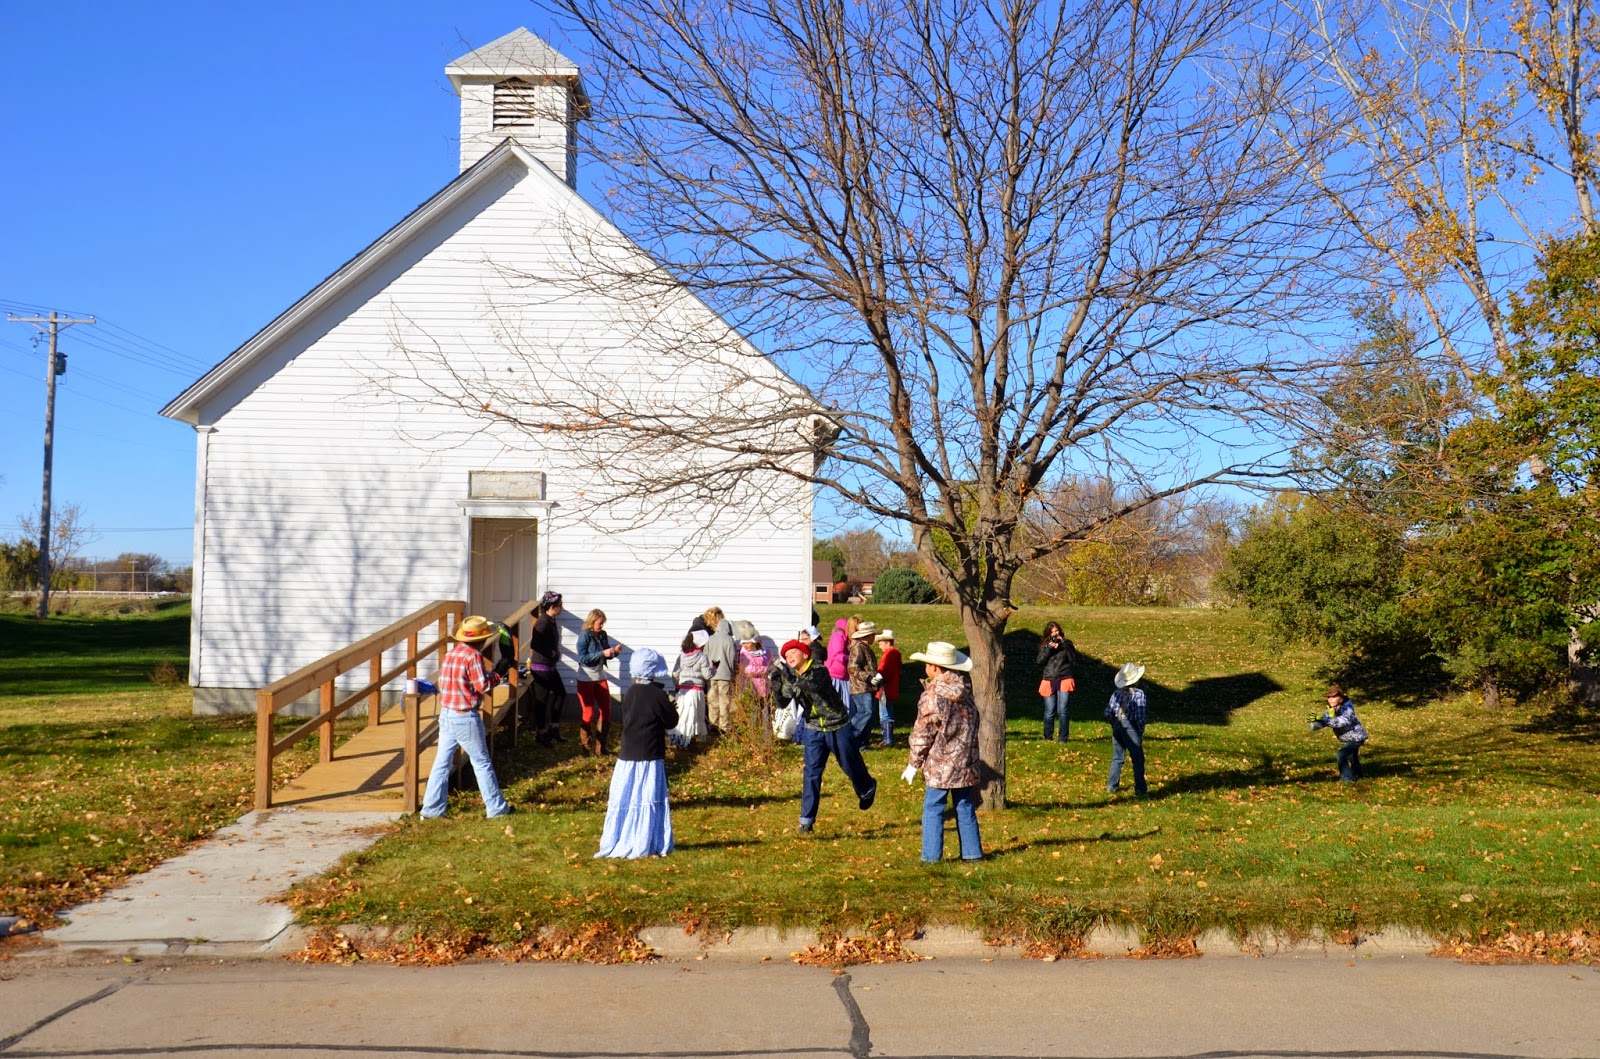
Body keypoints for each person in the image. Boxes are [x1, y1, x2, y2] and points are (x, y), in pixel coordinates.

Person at [772, 638, 877, 833]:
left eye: (792, 652)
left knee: (850, 765)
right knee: (811, 773)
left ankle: (867, 788)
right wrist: (776, 683)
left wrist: (791, 678)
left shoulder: (819, 670)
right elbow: (783, 701)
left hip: (838, 725)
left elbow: (811, 686)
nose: (788, 657)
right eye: (786, 655)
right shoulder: (792, 675)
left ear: (805, 654)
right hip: (813, 729)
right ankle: (806, 821)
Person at [420, 615, 513, 820]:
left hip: (447, 713)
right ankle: (496, 808)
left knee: (442, 763)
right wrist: (498, 672)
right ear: (482, 640)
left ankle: (431, 810)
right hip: (464, 716)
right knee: (481, 762)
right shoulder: (473, 656)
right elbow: (483, 685)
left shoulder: (451, 654)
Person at [901, 641, 983, 862]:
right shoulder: (966, 692)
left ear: (935, 668)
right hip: (966, 761)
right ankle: (972, 853)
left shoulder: (933, 695)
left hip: (941, 764)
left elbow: (923, 732)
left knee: (934, 807)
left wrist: (913, 763)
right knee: (965, 805)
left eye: (927, 664)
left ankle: (931, 857)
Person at [595, 648, 678, 858]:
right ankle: (646, 839)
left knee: (627, 797)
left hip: (627, 754)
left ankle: (622, 836)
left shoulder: (630, 692)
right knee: (646, 797)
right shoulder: (657, 695)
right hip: (649, 755)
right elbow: (671, 721)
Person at [575, 609, 623, 756]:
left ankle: (601, 747)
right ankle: (586, 748)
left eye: (603, 623)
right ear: (592, 621)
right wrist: (603, 653)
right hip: (586, 678)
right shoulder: (584, 636)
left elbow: (605, 654)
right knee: (588, 713)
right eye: (600, 623)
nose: (602, 626)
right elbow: (582, 658)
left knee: (606, 710)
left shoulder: (602, 635)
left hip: (600, 676)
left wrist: (614, 652)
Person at [526, 591, 567, 746]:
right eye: (559, 606)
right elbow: (535, 644)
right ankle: (541, 733)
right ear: (551, 607)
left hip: (549, 666)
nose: (561, 608)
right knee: (541, 701)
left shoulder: (551, 620)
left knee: (560, 694)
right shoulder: (543, 622)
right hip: (541, 667)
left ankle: (553, 728)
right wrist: (551, 653)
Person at [1105, 662, 1148, 797]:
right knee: (1137, 759)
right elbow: (1140, 715)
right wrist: (1140, 730)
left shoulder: (1116, 693)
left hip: (1117, 725)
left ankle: (1112, 786)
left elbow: (1108, 712)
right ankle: (1140, 789)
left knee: (1117, 756)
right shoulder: (1139, 694)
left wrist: (1114, 724)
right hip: (1131, 727)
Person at [1310, 684, 1368, 783]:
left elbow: (1341, 721)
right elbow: (1327, 720)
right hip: (1349, 738)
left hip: (1356, 738)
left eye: (1334, 697)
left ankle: (1348, 779)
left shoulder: (1347, 709)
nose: (1331, 699)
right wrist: (1315, 724)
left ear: (1341, 698)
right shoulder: (1332, 709)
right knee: (1352, 757)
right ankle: (1359, 775)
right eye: (1329, 697)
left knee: (1341, 755)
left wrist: (1325, 719)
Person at [1036, 621, 1077, 742]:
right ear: (1048, 633)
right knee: (1049, 711)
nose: (1055, 633)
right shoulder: (1045, 645)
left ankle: (1063, 738)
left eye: (1056, 631)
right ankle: (1048, 736)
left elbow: (1073, 657)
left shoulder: (1067, 643)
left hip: (1064, 677)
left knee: (1063, 710)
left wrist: (1063, 644)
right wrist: (1048, 648)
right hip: (1049, 678)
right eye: (1052, 632)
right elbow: (1040, 661)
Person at [670, 629, 711, 746]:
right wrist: (714, 669)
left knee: (682, 716)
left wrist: (677, 685)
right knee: (694, 717)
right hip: (696, 691)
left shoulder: (681, 656)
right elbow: (707, 675)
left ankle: (679, 741)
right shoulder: (703, 657)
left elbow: (675, 674)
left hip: (683, 691)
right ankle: (692, 742)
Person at [704, 606, 739, 734]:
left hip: (712, 674)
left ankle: (713, 725)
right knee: (725, 701)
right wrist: (732, 672)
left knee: (713, 700)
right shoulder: (729, 639)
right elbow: (731, 658)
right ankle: (724, 727)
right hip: (725, 674)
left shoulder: (711, 639)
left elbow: (706, 656)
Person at [847, 620, 879, 747]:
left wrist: (877, 679)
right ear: (867, 636)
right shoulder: (858, 648)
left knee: (869, 716)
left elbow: (869, 667)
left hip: (868, 687)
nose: (875, 637)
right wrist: (868, 678)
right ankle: (849, 738)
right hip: (860, 687)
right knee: (865, 712)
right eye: (873, 635)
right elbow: (853, 668)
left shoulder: (865, 647)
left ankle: (862, 744)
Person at [737, 625, 773, 731]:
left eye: (747, 642)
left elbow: (771, 664)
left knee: (765, 712)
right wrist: (764, 670)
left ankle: (766, 738)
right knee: (753, 712)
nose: (745, 645)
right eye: (743, 643)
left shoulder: (765, 652)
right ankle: (754, 735)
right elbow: (747, 669)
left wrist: (766, 669)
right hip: (750, 686)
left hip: (764, 686)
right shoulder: (743, 653)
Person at [874, 629, 902, 747]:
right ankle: (888, 739)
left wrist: (875, 680)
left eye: (881, 643)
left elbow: (885, 671)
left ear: (887, 642)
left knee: (884, 713)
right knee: (888, 712)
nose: (879, 646)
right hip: (891, 687)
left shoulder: (890, 654)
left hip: (885, 688)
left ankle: (887, 740)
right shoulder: (895, 653)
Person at [825, 617, 852, 703]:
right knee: (836, 701)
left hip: (842, 675)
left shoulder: (845, 638)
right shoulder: (838, 635)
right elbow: (837, 654)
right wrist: (850, 658)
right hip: (835, 674)